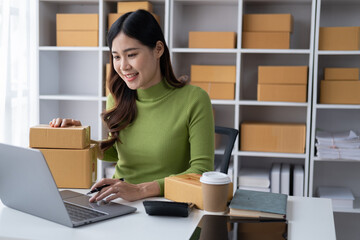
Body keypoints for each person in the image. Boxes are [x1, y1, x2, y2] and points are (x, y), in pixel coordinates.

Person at [50, 10, 214, 202]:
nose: (123, 66)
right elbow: (114, 152)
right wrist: (79, 139)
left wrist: (141, 190)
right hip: (118, 201)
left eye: (132, 54)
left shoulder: (194, 99)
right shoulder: (117, 97)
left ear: (158, 49)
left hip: (168, 206)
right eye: (116, 57)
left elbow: (201, 172)